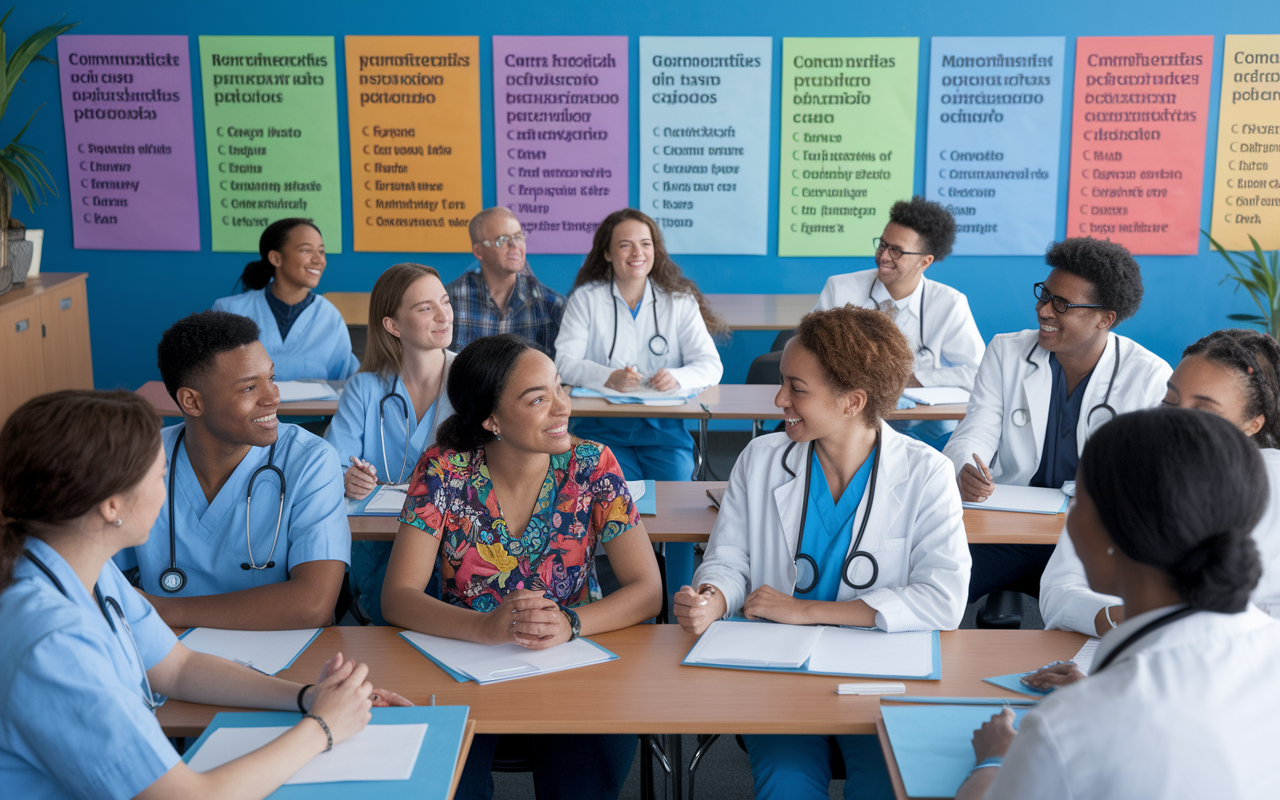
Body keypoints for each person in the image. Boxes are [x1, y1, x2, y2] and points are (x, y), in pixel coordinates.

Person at [0, 390, 410, 800]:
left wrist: (308, 697)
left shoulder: (86, 568)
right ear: (111, 507)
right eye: (160, 476)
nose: (168, 490)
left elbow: (177, 667)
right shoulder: (52, 642)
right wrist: (322, 728)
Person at [676, 306, 970, 800]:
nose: (778, 398)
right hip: (778, 665)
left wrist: (805, 611)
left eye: (797, 388)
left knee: (884, 786)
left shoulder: (927, 473)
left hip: (879, 672)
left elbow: (943, 599)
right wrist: (713, 597)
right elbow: (729, 561)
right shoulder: (761, 459)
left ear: (853, 401)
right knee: (786, 785)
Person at [381, 334, 663, 800]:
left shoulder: (592, 464)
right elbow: (398, 596)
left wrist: (570, 622)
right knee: (451, 787)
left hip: (573, 662)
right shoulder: (444, 468)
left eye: (560, 387)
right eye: (538, 398)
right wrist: (482, 628)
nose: (562, 407)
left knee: (581, 786)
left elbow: (646, 589)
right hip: (463, 664)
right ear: (491, 419)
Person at [956, 408, 1280, 800]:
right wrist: (1102, 690)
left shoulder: (1068, 729)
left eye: (1078, 503)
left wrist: (995, 759)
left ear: (1108, 533)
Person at [941, 237, 1171, 626]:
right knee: (934, 592)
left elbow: (1144, 481)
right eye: (1045, 295)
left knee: (1111, 625)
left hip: (1093, 536)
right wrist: (966, 467)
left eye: (1062, 304)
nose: (1043, 309)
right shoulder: (1006, 351)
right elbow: (974, 430)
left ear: (1105, 319)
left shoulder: (1148, 376)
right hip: (1006, 529)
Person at [115, 311, 349, 630]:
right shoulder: (137, 460)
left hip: (281, 653)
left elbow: (313, 606)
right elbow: (97, 580)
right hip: (163, 654)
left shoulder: (310, 461)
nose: (273, 398)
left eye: (271, 378)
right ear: (191, 402)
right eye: (249, 388)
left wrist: (163, 610)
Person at [1041, 328, 1280, 635]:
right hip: (1129, 655)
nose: (1175, 422)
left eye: (1204, 411)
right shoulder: (1127, 467)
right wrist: (1125, 620)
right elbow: (1058, 588)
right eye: (1170, 401)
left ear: (1253, 424)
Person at [325, 263, 456, 625]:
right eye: (426, 308)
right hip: (378, 535)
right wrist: (348, 478)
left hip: (451, 534)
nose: (444, 315)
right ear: (393, 325)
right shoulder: (365, 388)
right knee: (386, 597)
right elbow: (331, 465)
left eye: (445, 302)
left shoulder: (471, 381)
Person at [555, 208, 727, 483]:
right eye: (625, 245)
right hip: (600, 426)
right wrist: (608, 377)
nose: (638, 253)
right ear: (608, 254)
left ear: (655, 250)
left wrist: (677, 377)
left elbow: (710, 365)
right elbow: (563, 362)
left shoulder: (679, 301)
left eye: (645, 244)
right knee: (613, 490)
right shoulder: (586, 299)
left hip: (663, 428)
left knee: (675, 490)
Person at [814, 196, 985, 450]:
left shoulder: (949, 303)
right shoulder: (840, 290)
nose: (883, 256)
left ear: (925, 261)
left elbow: (977, 372)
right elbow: (812, 355)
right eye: (882, 245)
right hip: (849, 423)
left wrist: (913, 378)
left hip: (926, 432)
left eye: (897, 250)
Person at [212, 218, 359, 381]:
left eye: (321, 251)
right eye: (306, 250)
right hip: (248, 408)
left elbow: (346, 383)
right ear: (276, 258)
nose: (319, 260)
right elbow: (214, 380)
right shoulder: (229, 311)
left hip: (317, 408)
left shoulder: (329, 317)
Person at [446, 207, 567, 356]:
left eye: (518, 237)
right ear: (479, 251)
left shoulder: (552, 305)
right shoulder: (450, 302)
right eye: (502, 240)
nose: (514, 245)